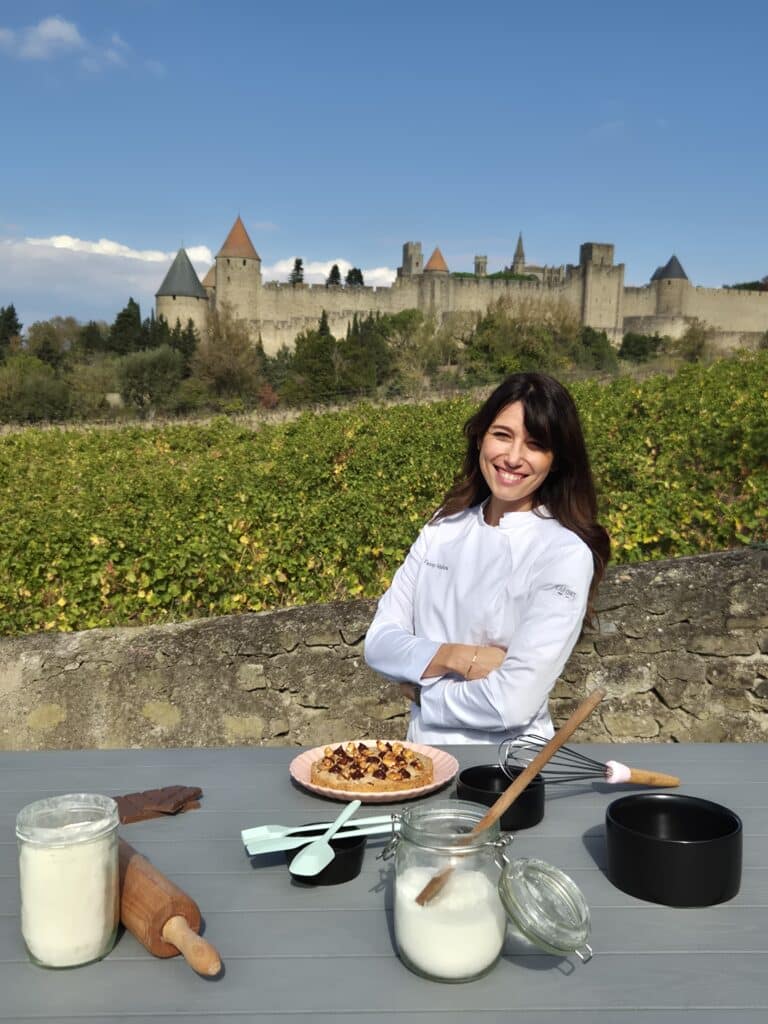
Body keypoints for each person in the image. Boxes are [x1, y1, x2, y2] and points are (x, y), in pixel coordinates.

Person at [364, 372, 610, 745]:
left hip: (507, 772)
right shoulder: (443, 528)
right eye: (502, 435)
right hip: (420, 760)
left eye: (535, 444)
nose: (513, 457)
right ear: (481, 436)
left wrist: (421, 693)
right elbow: (379, 643)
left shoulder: (564, 554)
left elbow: (510, 705)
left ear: (555, 460)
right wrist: (459, 657)